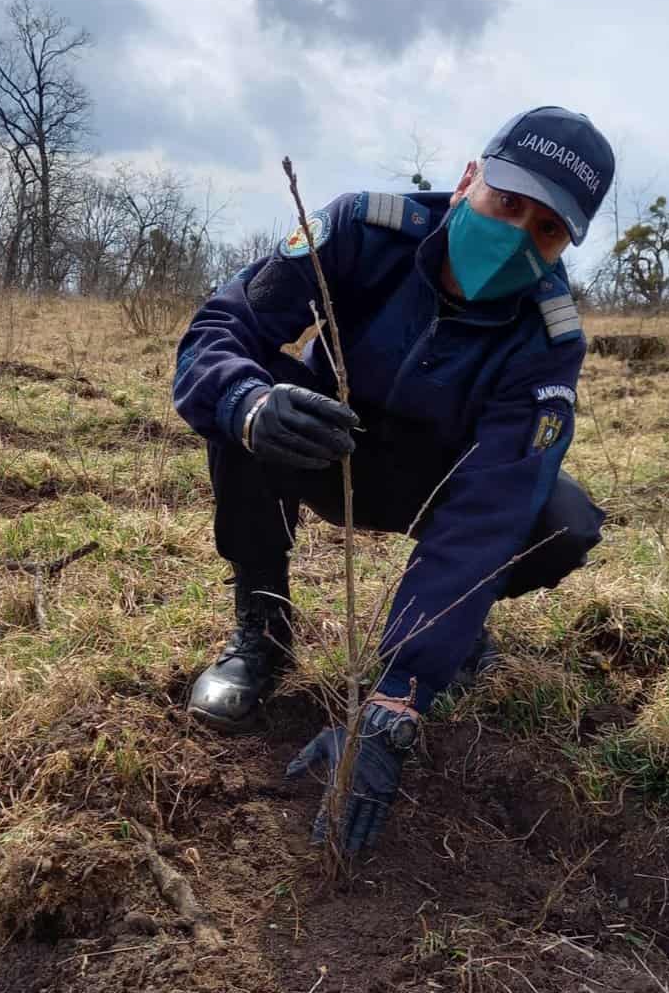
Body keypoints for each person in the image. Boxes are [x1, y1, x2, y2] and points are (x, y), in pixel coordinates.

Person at [172, 106, 614, 854]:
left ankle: (454, 638)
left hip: (439, 486)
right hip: (322, 445)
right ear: (469, 179)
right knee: (247, 406)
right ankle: (263, 632)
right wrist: (247, 405)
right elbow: (222, 328)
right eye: (507, 203)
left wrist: (400, 690)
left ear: (566, 243)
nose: (516, 237)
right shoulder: (362, 230)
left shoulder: (548, 337)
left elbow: (491, 505)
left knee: (558, 519)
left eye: (546, 229)